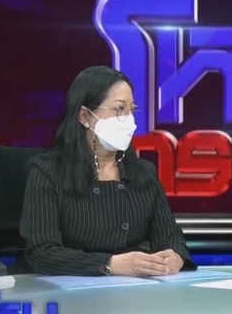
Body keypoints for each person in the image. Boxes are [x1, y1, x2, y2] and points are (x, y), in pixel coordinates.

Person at [19, 66, 196, 276]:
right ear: (85, 116)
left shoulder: (144, 172)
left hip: (136, 288)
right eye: (119, 109)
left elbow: (171, 238)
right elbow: (41, 253)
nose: (129, 120)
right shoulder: (47, 171)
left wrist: (175, 256)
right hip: (74, 288)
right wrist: (110, 264)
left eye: (131, 110)